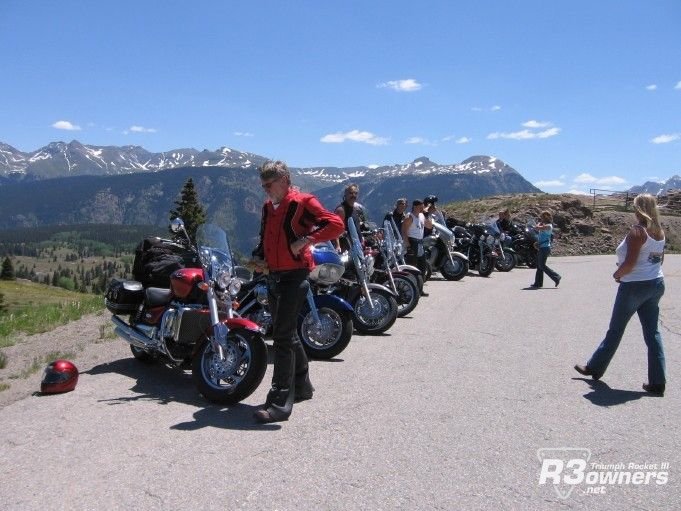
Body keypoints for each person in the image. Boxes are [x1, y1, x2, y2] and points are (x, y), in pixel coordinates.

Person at [250, 161, 345, 423]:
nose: (266, 190)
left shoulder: (303, 202)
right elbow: (265, 237)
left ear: (284, 180)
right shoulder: (268, 207)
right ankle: (302, 386)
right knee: (287, 333)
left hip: (295, 276)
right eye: (263, 185)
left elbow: (336, 224)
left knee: (280, 337)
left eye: (269, 185)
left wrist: (307, 239)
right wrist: (260, 257)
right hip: (274, 275)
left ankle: (280, 402)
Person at [574, 194, 667, 396]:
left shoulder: (637, 232)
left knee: (615, 330)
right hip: (656, 284)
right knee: (653, 333)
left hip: (633, 286)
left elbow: (630, 264)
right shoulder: (659, 232)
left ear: (639, 209)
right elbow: (659, 261)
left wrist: (617, 275)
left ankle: (595, 367)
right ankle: (658, 382)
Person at [401, 199, 432, 295]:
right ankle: (409, 290)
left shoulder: (422, 215)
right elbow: (404, 230)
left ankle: (419, 289)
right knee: (411, 266)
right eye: (420, 206)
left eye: (422, 206)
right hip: (412, 241)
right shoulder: (410, 217)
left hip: (420, 242)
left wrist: (427, 215)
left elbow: (429, 226)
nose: (422, 208)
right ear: (415, 206)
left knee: (422, 267)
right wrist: (407, 245)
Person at [530, 210, 561, 288]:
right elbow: (538, 228)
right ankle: (538, 283)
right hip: (542, 247)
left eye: (542, 217)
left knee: (542, 265)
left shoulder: (549, 226)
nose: (541, 218)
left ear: (546, 217)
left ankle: (556, 277)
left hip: (545, 248)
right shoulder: (544, 225)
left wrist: (538, 224)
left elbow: (538, 228)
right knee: (539, 265)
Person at [334, 183, 368, 251]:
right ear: (345, 194)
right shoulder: (341, 210)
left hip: (357, 246)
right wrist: (337, 246)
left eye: (356, 193)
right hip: (347, 247)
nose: (353, 195)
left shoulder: (355, 208)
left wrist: (362, 240)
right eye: (351, 193)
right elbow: (335, 229)